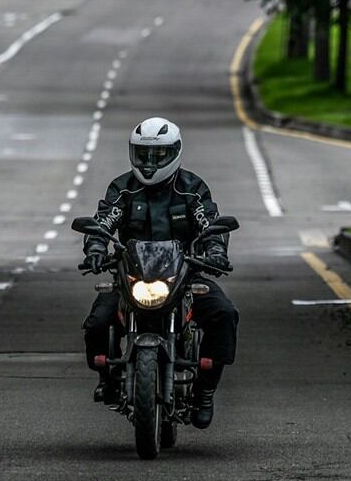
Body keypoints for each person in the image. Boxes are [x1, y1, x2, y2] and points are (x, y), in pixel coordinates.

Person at [81, 117, 239, 429]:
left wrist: (216, 251)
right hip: (130, 277)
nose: (150, 163)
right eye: (143, 155)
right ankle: (107, 378)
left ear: (175, 153)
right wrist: (95, 249)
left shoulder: (192, 189)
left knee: (224, 314)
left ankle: (205, 390)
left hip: (184, 277)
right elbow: (103, 222)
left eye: (158, 155)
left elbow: (209, 221)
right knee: (98, 322)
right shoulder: (123, 189)